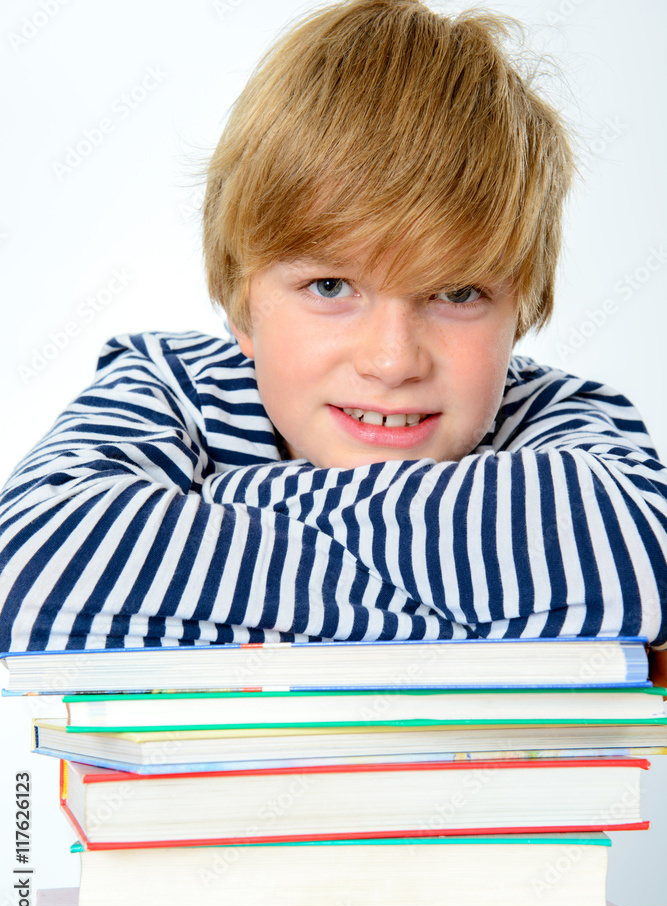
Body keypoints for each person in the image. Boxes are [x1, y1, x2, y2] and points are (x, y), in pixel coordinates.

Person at [0, 0, 665, 654]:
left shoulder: (559, 417)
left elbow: (639, 562)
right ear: (240, 305)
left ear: (519, 310)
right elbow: (30, 571)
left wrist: (224, 499)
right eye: (329, 287)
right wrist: (491, 584)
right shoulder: (169, 387)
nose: (391, 361)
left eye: (455, 292)